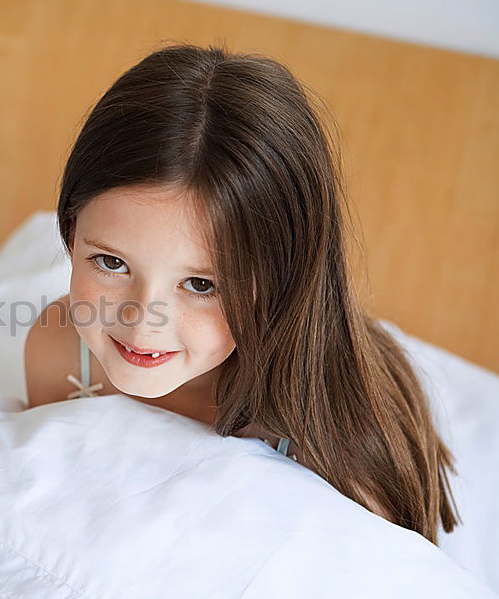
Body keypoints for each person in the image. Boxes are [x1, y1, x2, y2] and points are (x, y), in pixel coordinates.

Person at [23, 42, 460, 546]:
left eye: (202, 285)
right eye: (112, 262)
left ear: (283, 276)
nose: (143, 322)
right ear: (71, 231)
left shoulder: (344, 447)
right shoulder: (61, 354)